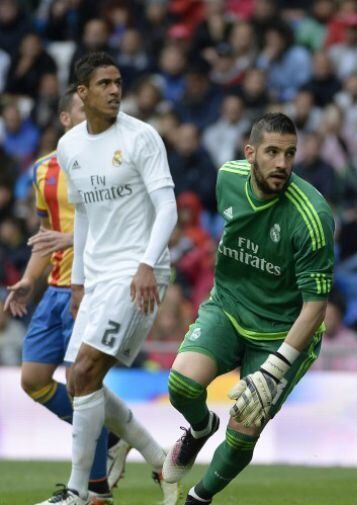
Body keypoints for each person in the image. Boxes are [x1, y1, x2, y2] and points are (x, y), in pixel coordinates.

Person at [162, 113, 335, 505]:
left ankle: (198, 499)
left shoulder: (313, 217)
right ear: (250, 153)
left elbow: (316, 306)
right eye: (272, 152)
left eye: (290, 154)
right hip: (228, 305)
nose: (282, 164)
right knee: (181, 386)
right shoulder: (227, 178)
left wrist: (275, 369)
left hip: (282, 331)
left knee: (245, 429)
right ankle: (201, 427)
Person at [36, 52, 178, 505]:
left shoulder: (142, 137)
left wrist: (145, 265)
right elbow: (84, 219)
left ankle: (79, 493)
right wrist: (78, 282)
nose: (115, 90)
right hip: (96, 277)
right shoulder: (70, 146)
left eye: (118, 82)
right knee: (79, 382)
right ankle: (159, 460)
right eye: (104, 84)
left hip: (140, 271)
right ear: (83, 93)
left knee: (85, 370)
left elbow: (168, 209)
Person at [5, 86, 130, 503]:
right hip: (55, 290)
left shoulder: (112, 167)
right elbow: (46, 237)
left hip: (93, 289)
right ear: (64, 119)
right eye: (82, 108)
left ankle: (92, 492)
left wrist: (69, 238)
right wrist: (28, 280)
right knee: (34, 381)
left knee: (83, 385)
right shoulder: (44, 172)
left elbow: (118, 227)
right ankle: (110, 438)